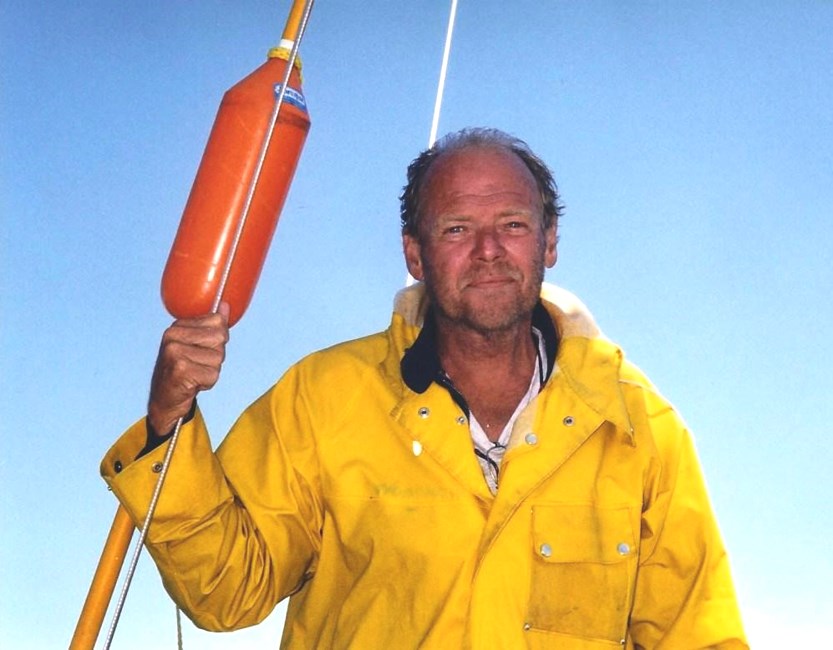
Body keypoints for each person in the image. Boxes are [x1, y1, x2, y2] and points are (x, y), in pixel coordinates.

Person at [102, 128, 748, 648]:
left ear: (549, 241)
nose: (488, 250)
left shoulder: (639, 425)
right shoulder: (322, 396)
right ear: (415, 254)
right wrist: (167, 423)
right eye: (457, 228)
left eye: (513, 225)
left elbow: (698, 635)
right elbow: (225, 593)